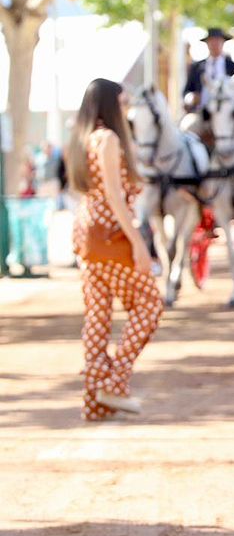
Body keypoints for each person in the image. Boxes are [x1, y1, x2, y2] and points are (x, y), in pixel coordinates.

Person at [66, 79, 163, 421]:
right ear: (110, 104)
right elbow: (114, 196)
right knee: (150, 304)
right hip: (110, 235)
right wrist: (138, 243)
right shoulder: (107, 139)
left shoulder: (81, 138)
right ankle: (115, 381)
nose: (126, 108)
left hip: (88, 233)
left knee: (98, 314)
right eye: (122, 102)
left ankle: (94, 401)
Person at [182, 28, 234, 134]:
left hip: (228, 114)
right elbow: (186, 92)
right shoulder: (197, 67)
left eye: (217, 41)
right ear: (207, 43)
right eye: (211, 41)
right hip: (203, 113)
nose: (214, 44)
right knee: (186, 128)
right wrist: (191, 98)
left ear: (223, 42)